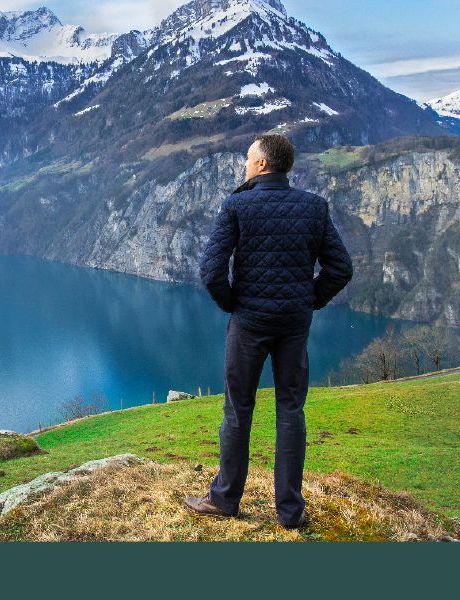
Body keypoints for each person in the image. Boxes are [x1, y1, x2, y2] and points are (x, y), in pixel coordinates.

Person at [183, 134, 353, 529]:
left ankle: (225, 500)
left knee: (237, 409)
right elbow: (340, 268)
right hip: (294, 324)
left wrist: (234, 305)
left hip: (249, 323)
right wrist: (308, 299)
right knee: (291, 409)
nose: (244, 163)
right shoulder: (314, 207)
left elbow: (211, 271)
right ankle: (291, 512)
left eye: (248, 158)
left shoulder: (238, 205)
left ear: (261, 164)